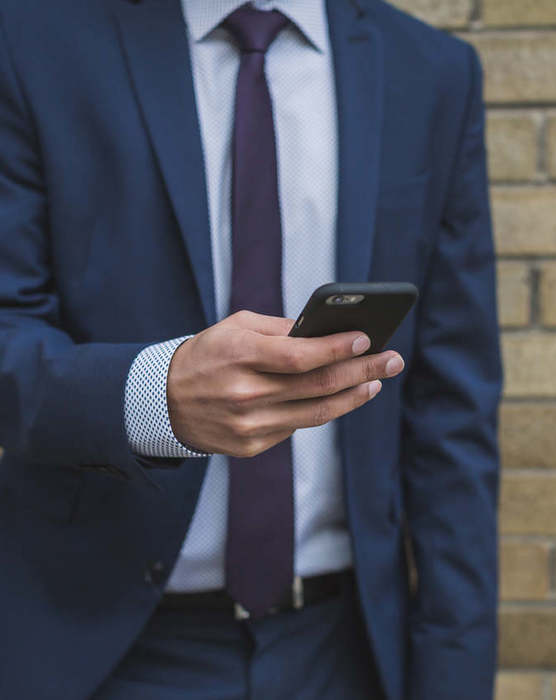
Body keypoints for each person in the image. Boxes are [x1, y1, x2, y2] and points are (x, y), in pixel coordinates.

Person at [0, 0, 502, 698]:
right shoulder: (28, 42)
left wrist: (454, 676)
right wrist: (155, 398)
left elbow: (454, 415)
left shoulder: (431, 71)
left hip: (342, 652)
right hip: (100, 652)